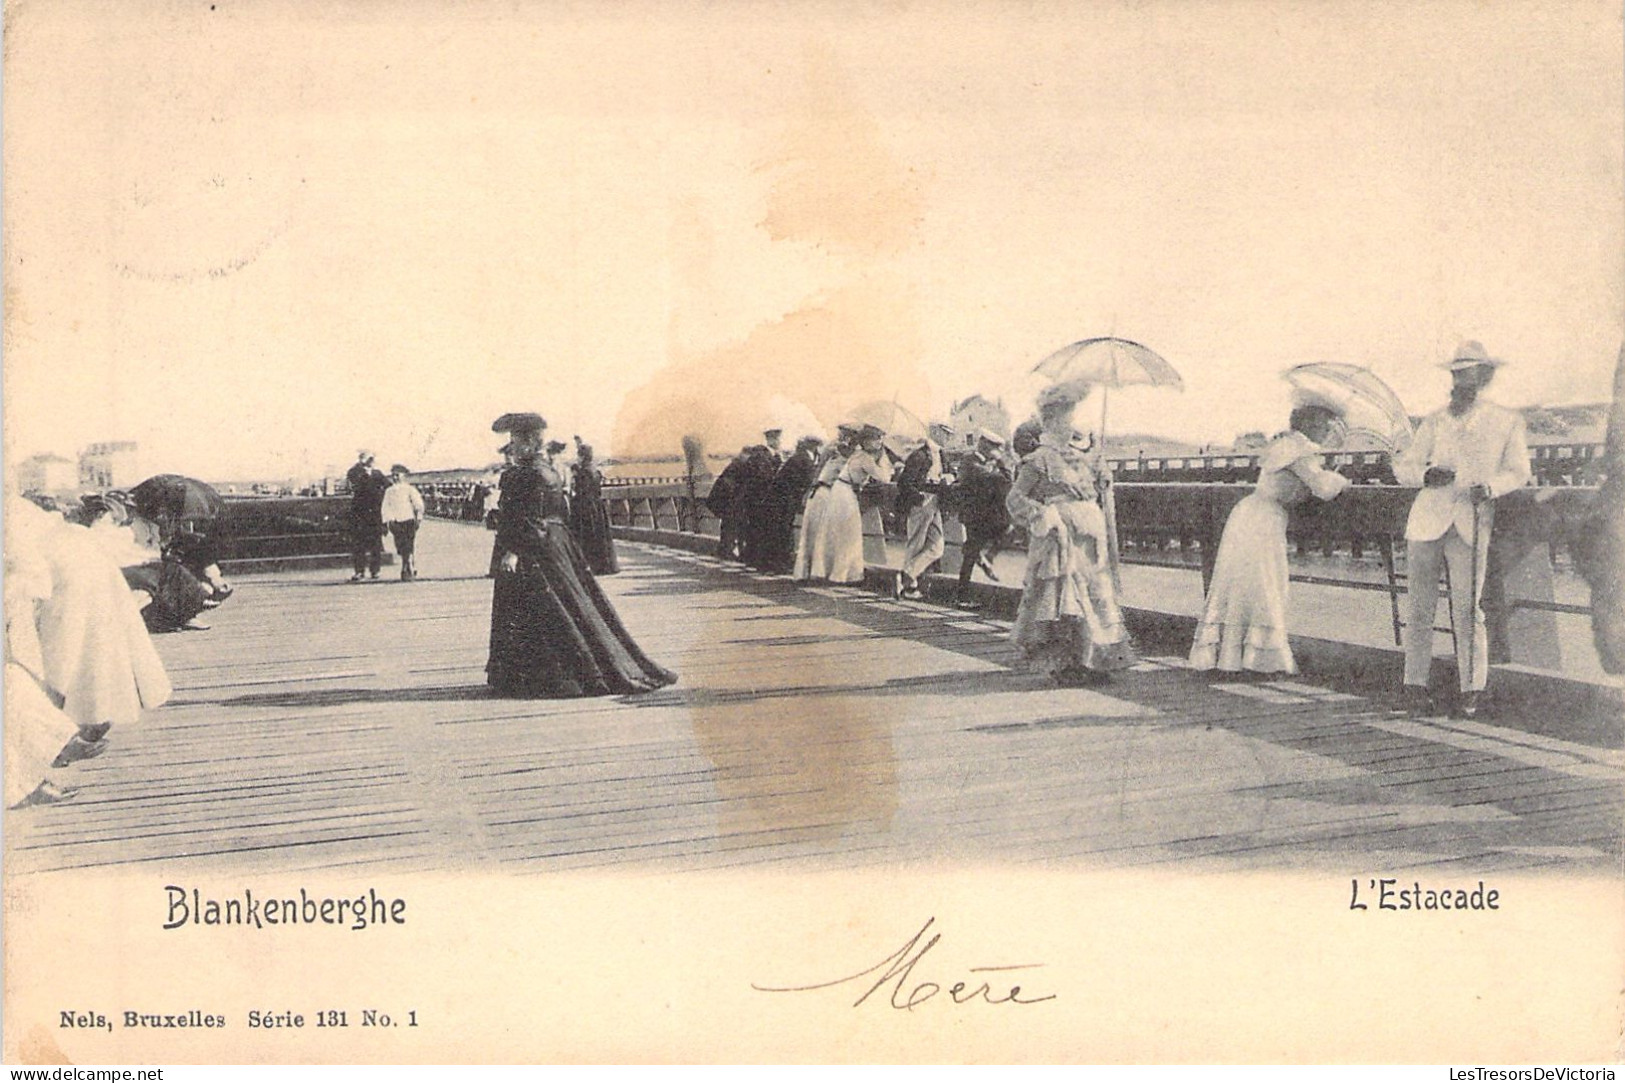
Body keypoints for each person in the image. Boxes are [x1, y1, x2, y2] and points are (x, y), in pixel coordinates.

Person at [486, 412, 676, 698]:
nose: (512, 447)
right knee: (574, 606)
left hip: (533, 549)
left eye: (515, 440)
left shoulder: (523, 474)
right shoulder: (546, 470)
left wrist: (513, 551)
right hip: (557, 545)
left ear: (527, 442)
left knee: (544, 609)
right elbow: (557, 513)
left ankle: (546, 676)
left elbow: (529, 519)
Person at [1391, 341, 1531, 718]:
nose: (1459, 382)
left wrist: (1491, 488)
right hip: (1425, 522)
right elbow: (1403, 467)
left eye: (1467, 375)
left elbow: (1519, 471)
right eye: (1455, 375)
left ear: (1483, 378)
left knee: (1468, 610)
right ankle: (1414, 686)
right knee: (1419, 609)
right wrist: (1425, 474)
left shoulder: (1506, 421)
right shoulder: (1434, 421)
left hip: (1471, 521)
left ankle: (1472, 688)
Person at [1187, 401, 1351, 676]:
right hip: (1266, 519)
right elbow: (1322, 487)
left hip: (1249, 514)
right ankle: (1259, 659)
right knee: (1265, 585)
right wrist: (1343, 480)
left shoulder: (1286, 445)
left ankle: (1231, 657)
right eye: (1326, 426)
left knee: (1242, 586)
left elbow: (1308, 475)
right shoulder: (1299, 450)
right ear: (1313, 425)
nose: (1327, 432)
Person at [1006, 383, 1134, 684]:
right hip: (1060, 538)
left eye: (1073, 417)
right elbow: (1015, 499)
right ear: (1050, 422)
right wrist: (1044, 514)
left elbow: (1093, 494)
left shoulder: (1084, 458)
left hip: (1089, 538)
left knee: (1095, 595)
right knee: (1065, 598)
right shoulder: (1039, 459)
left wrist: (1103, 481)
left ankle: (1095, 660)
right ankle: (1066, 664)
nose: (1071, 425)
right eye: (1066, 418)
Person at [795, 423, 891, 584]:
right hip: (835, 493)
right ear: (866, 441)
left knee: (828, 533)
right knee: (845, 532)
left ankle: (821, 571)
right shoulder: (853, 454)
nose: (847, 438)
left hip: (834, 491)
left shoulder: (853, 453)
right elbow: (884, 477)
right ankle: (840, 573)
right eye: (876, 439)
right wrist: (884, 457)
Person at [952, 430, 1013, 609]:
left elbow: (1005, 482)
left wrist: (999, 464)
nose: (994, 450)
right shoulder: (970, 461)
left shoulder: (984, 463)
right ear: (983, 444)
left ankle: (987, 557)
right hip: (974, 514)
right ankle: (962, 597)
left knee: (1007, 531)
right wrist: (1001, 463)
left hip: (985, 514)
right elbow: (998, 480)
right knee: (970, 555)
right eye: (992, 447)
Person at [894, 423, 954, 599]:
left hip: (935, 502)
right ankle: (909, 587)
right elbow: (904, 482)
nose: (948, 438)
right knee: (916, 543)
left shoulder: (940, 454)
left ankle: (906, 576)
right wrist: (919, 498)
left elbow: (950, 472)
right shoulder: (919, 455)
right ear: (935, 433)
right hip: (922, 503)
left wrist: (948, 477)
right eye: (945, 433)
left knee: (937, 546)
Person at [757, 435, 821, 575]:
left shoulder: (799, 457)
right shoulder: (804, 459)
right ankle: (776, 565)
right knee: (781, 532)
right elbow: (810, 479)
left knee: (778, 531)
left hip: (779, 499)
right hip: (783, 500)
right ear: (814, 446)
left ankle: (772, 564)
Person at [568, 439, 620, 576]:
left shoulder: (583, 472)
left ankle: (591, 565)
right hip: (597, 506)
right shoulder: (595, 470)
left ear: (582, 456)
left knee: (588, 536)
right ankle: (603, 564)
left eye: (578, 455)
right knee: (599, 536)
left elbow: (581, 491)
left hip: (586, 507)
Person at [346, 450, 388, 581]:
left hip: (375, 514)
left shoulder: (378, 474)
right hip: (360, 514)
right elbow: (353, 482)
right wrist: (362, 467)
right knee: (359, 544)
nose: (371, 462)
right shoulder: (355, 472)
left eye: (372, 459)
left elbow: (388, 487)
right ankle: (359, 571)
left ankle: (375, 570)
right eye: (369, 459)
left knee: (376, 544)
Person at [381, 464, 426, 581]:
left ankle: (407, 567)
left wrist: (419, 518)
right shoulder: (389, 491)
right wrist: (388, 520)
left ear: (404, 476)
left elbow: (419, 505)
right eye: (393, 475)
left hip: (409, 520)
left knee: (409, 544)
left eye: (398, 475)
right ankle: (408, 563)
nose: (395, 478)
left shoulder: (409, 489)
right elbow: (385, 507)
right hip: (396, 522)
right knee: (400, 545)